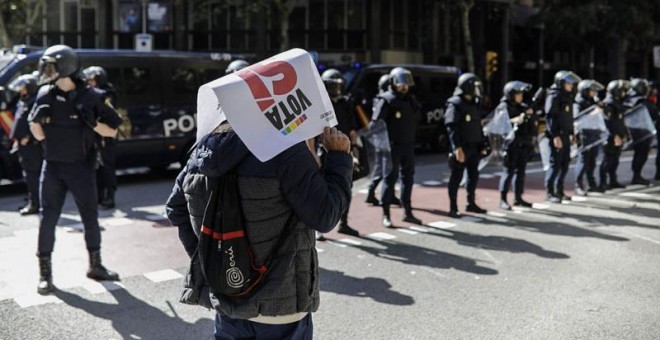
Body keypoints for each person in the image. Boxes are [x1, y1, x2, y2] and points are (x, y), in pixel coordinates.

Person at [165, 122, 352, 339]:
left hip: (227, 303)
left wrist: (211, 259)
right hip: (281, 307)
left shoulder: (202, 153)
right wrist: (339, 158)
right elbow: (325, 215)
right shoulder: (284, 148)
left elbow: (175, 208)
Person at [28, 45, 123, 295]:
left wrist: (92, 123)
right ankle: (45, 275)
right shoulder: (44, 95)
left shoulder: (92, 97)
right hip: (53, 167)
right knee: (47, 219)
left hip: (81, 168)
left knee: (90, 218)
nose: (46, 71)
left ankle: (96, 266)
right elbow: (37, 133)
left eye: (51, 66)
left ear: (66, 68)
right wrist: (35, 121)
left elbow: (113, 130)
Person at [372, 67, 422, 227]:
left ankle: (407, 212)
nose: (404, 86)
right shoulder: (386, 100)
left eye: (406, 83)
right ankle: (385, 214)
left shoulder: (411, 100)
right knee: (389, 179)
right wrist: (381, 146)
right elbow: (375, 125)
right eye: (401, 82)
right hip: (391, 148)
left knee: (408, 179)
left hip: (407, 146)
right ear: (393, 83)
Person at [318, 68, 359, 237]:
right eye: (332, 86)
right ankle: (319, 227)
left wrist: (355, 150)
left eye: (338, 85)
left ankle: (344, 222)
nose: (336, 89)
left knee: (345, 185)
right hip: (324, 149)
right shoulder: (320, 104)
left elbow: (352, 129)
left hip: (343, 149)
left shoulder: (346, 102)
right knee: (320, 187)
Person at [444, 73, 488, 218]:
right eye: (474, 87)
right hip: (461, 148)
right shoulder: (455, 103)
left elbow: (478, 126)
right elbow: (451, 127)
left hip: (474, 146)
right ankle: (452, 207)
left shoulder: (475, 103)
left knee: (473, 176)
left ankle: (471, 203)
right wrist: (457, 148)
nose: (477, 90)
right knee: (456, 177)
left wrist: (482, 144)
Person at [83, 66, 119, 209]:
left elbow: (106, 115)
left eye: (92, 79)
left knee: (107, 167)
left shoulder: (106, 94)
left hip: (106, 137)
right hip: (96, 135)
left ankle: (110, 197)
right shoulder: (94, 93)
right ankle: (99, 196)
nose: (90, 82)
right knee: (96, 168)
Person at [497, 81, 536, 210]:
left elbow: (530, 126)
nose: (521, 96)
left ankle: (518, 197)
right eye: (518, 93)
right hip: (511, 145)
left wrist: (530, 115)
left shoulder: (523, 106)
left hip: (523, 144)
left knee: (521, 173)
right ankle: (503, 199)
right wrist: (514, 120)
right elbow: (499, 125)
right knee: (508, 172)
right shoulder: (504, 107)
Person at [7, 74, 42, 215]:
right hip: (22, 146)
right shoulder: (24, 101)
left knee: (33, 175)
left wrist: (29, 138)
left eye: (23, 87)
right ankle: (32, 198)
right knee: (28, 175)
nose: (21, 90)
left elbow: (36, 123)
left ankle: (35, 203)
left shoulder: (34, 101)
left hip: (32, 147)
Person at [365, 74, 401, 207]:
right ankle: (372, 192)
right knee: (384, 169)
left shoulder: (378, 99)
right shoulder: (383, 100)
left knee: (384, 169)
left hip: (380, 140)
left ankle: (387, 194)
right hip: (383, 140)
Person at [544, 70, 581, 203]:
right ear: (561, 83)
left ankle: (559, 191)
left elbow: (568, 118)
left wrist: (572, 133)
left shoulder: (568, 97)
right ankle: (549, 192)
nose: (571, 86)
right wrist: (555, 136)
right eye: (569, 83)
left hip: (566, 135)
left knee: (564, 165)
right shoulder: (554, 96)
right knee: (555, 165)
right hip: (557, 136)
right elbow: (551, 118)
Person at [573, 79, 606, 196]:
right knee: (583, 160)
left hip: (595, 133)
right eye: (592, 91)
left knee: (592, 161)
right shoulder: (579, 102)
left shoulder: (592, 101)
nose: (594, 93)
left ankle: (591, 184)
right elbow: (577, 118)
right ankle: (578, 185)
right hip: (585, 134)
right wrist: (592, 113)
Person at [626, 78, 657, 185]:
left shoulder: (628, 99)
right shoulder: (641, 101)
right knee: (641, 154)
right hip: (642, 132)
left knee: (639, 154)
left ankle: (637, 176)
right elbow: (653, 112)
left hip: (635, 131)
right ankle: (636, 176)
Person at [599, 80, 629, 190]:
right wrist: (615, 135)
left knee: (615, 160)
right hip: (610, 137)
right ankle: (603, 183)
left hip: (618, 136)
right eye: (621, 90)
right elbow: (608, 122)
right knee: (607, 160)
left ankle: (613, 180)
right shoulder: (609, 104)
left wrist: (624, 133)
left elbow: (620, 121)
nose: (623, 92)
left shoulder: (618, 103)